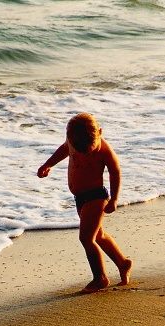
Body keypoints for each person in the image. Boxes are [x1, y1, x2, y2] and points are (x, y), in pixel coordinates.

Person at [37, 113, 132, 293]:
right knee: (98, 236)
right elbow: (64, 149)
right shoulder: (73, 141)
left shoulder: (105, 150)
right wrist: (48, 164)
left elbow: (115, 172)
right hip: (80, 198)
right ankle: (122, 262)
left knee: (86, 238)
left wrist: (114, 199)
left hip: (96, 196)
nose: (84, 153)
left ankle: (100, 278)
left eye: (90, 149)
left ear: (100, 133)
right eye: (79, 150)